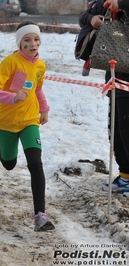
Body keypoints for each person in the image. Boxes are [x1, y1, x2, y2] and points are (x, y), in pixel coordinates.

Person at [0, 20, 55, 232]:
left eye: (36, 39)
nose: (33, 44)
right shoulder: (10, 62)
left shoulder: (40, 65)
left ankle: (40, 216)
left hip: (29, 120)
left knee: (35, 162)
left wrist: (44, 109)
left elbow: (38, 89)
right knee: (9, 164)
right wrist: (13, 97)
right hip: (7, 121)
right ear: (20, 43)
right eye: (27, 40)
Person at [79, 0, 129, 193]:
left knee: (127, 128)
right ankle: (125, 176)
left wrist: (122, 4)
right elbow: (83, 16)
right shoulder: (106, 2)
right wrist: (92, 19)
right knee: (117, 129)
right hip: (115, 75)